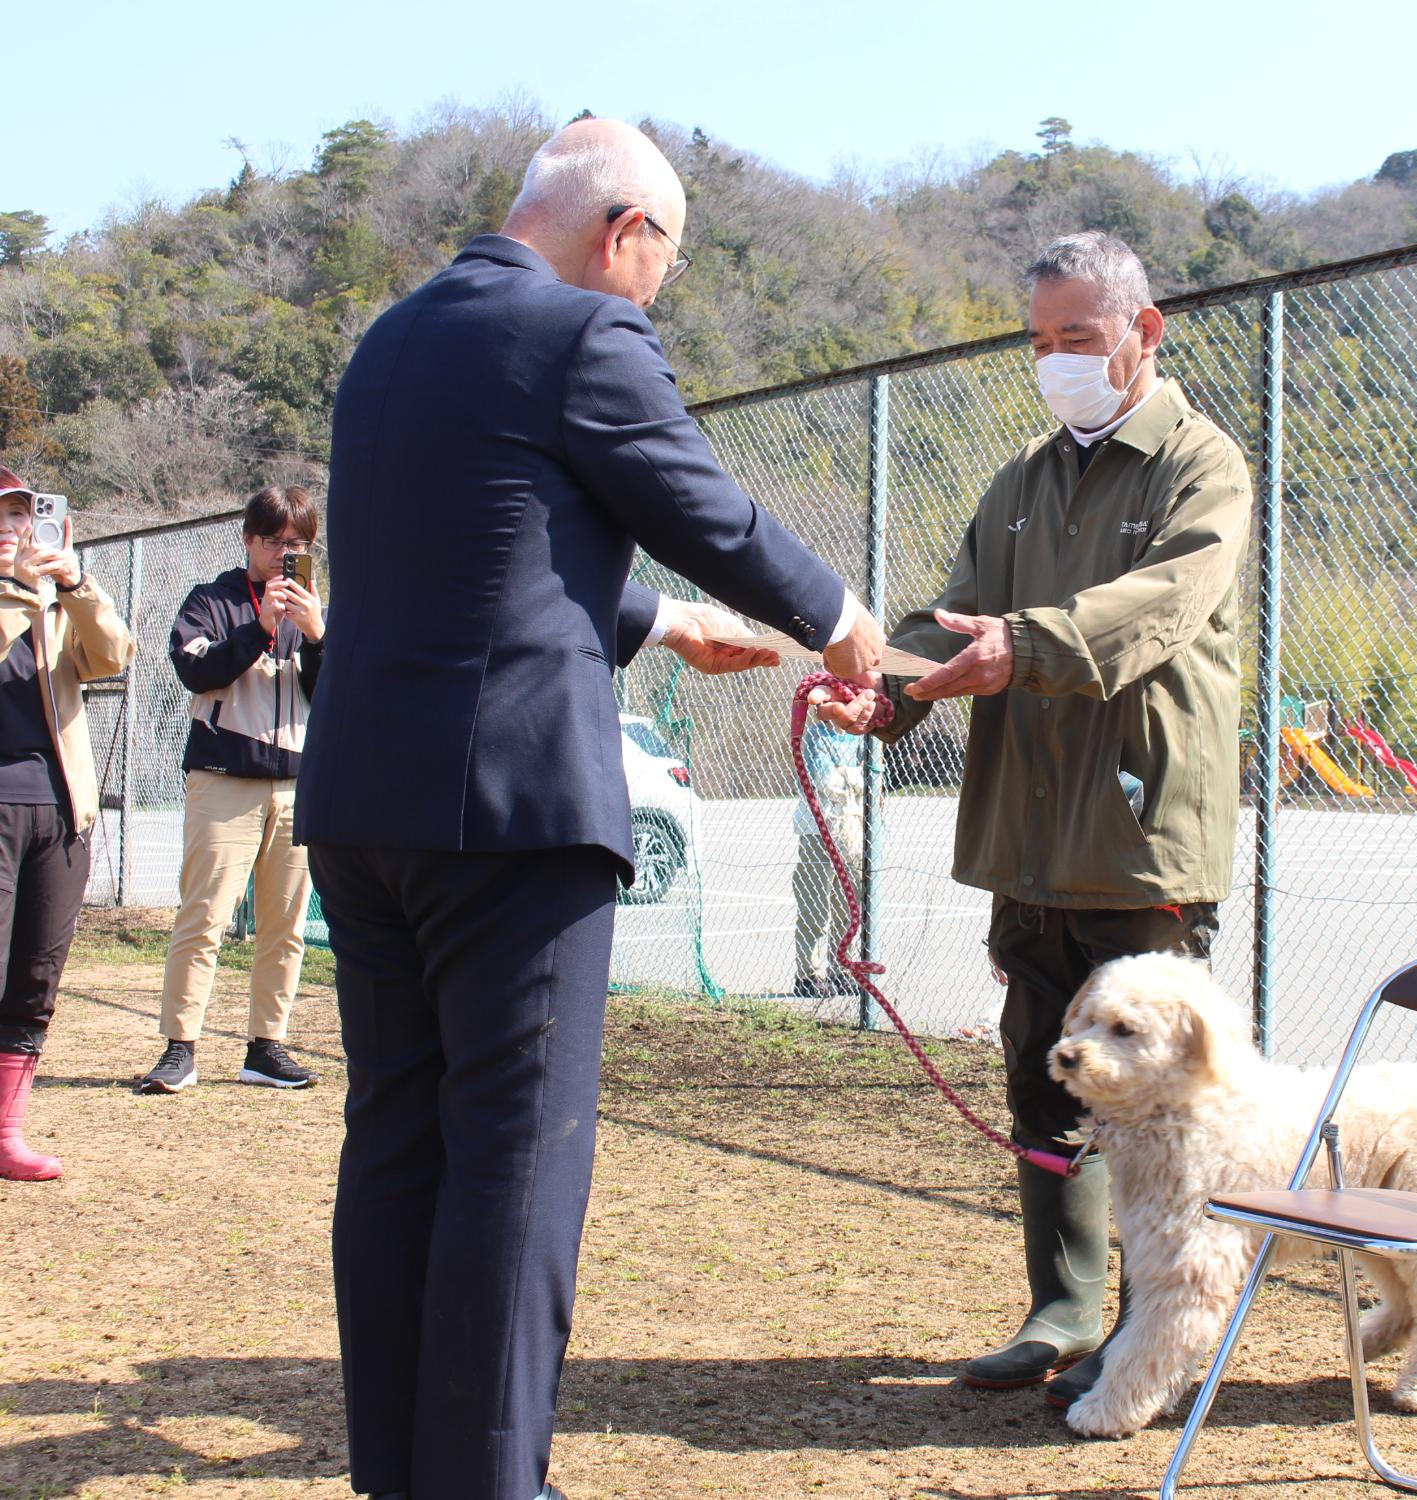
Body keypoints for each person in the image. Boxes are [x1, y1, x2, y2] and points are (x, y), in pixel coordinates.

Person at [294, 117, 885, 1500]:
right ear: (625, 233)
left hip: (365, 808)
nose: (651, 303)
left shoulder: (391, 343)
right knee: (515, 1158)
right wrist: (842, 621)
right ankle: (493, 1480)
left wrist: (666, 627)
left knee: (395, 1142)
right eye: (660, 273)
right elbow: (703, 503)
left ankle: (404, 1473)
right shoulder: (580, 335)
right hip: (511, 820)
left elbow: (486, 537)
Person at [815, 230, 1252, 1406]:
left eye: (1079, 339)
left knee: (1158, 1106)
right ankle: (1061, 1311)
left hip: (1135, 829)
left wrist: (1029, 645)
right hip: (1027, 833)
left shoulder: (1200, 466)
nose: (1056, 361)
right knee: (1041, 1074)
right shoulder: (1017, 481)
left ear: (1142, 333)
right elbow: (955, 614)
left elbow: (1156, 609)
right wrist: (888, 690)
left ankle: (1151, 1330)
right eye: (1041, 342)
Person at [139, 485, 326, 1095]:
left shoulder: (316, 609)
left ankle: (266, 1047)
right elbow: (197, 668)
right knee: (204, 918)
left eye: (297, 544)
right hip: (223, 780)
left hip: (298, 785)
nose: (284, 554)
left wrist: (319, 636)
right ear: (248, 539)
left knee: (286, 924)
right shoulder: (211, 601)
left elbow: (338, 691)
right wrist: (261, 626)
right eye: (274, 541)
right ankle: (180, 1047)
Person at [0, 467, 136, 1180]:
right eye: (1, 518)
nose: (13, 530)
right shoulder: (20, 603)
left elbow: (113, 655)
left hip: (58, 811)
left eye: (23, 516)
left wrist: (76, 586)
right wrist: (22, 594)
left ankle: (6, 1134)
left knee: (35, 978)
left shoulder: (56, 604)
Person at [792, 716, 866, 999]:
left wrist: (846, 775)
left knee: (849, 903)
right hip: (817, 829)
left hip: (851, 829)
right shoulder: (815, 737)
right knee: (815, 903)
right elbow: (825, 781)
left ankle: (841, 968)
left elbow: (873, 777)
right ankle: (808, 974)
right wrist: (854, 778)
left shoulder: (860, 737)